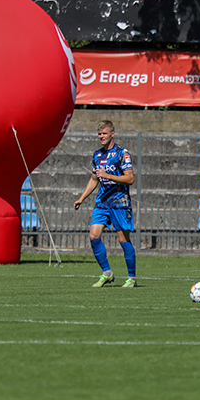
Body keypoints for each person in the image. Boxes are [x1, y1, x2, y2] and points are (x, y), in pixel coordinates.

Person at [73, 120, 137, 288]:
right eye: (99, 134)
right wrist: (82, 198)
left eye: (104, 133)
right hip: (102, 202)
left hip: (119, 202)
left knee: (123, 240)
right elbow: (94, 179)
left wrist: (108, 176)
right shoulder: (97, 155)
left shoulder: (122, 153)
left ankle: (131, 277)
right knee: (93, 236)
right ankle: (107, 273)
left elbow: (129, 178)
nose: (101, 136)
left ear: (112, 134)